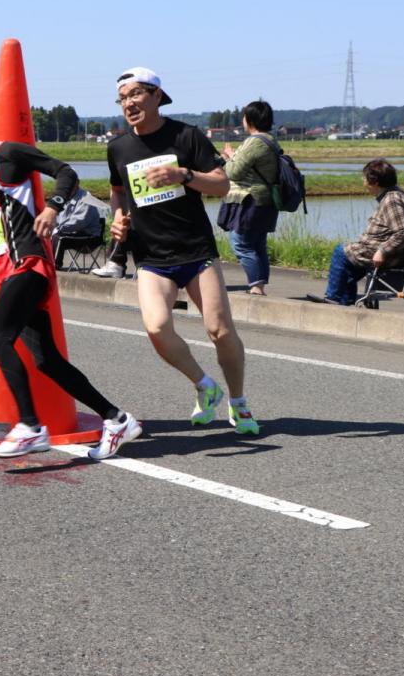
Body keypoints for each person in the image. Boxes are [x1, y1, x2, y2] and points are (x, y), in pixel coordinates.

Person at [0, 97, 140, 460]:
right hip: (8, 273)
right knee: (46, 360)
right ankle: (117, 419)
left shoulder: (6, 154)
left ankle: (30, 427)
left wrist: (53, 207)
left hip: (29, 265)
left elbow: (66, 172)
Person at [107, 67, 260, 435]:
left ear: (157, 96)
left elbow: (223, 185)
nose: (129, 103)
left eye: (136, 95)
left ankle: (238, 403)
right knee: (157, 327)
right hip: (151, 256)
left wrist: (184, 176)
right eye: (123, 98)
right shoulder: (118, 147)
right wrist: (116, 218)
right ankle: (205, 387)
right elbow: (117, 190)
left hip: (195, 251)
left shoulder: (186, 137)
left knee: (219, 330)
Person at [306, 158, 404, 307]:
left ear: (375, 182)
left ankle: (334, 298)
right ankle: (345, 302)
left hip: (391, 254)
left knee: (341, 252)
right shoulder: (394, 194)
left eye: (365, 178)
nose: (363, 182)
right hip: (389, 250)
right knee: (350, 262)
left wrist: (382, 251)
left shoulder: (392, 199)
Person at [219, 101, 281, 296]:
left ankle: (255, 285)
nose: (242, 120)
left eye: (244, 117)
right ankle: (258, 286)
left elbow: (234, 172)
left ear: (251, 120)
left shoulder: (255, 142)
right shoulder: (270, 140)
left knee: (241, 242)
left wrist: (229, 157)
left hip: (250, 199)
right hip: (265, 200)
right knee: (257, 243)